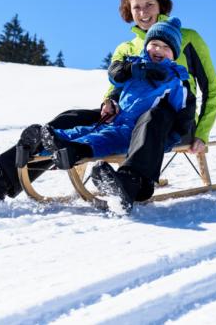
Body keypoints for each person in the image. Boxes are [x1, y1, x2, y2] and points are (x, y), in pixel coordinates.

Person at [0, 0, 216, 206]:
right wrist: (109, 103)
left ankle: (133, 182)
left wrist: (202, 132)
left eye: (149, 4)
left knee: (153, 118)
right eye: (137, 7)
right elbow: (115, 88)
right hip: (126, 117)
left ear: (161, 4)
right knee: (69, 118)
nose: (143, 12)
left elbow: (211, 89)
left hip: (172, 120)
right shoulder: (126, 49)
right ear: (129, 10)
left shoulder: (188, 38)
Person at [20, 18, 193, 212]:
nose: (158, 50)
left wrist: (166, 140)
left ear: (174, 54)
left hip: (137, 133)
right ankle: (47, 142)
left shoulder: (176, 80)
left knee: (100, 140)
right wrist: (131, 75)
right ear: (147, 46)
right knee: (88, 131)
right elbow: (114, 74)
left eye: (165, 47)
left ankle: (124, 181)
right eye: (154, 44)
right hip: (117, 121)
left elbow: (182, 114)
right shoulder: (136, 65)